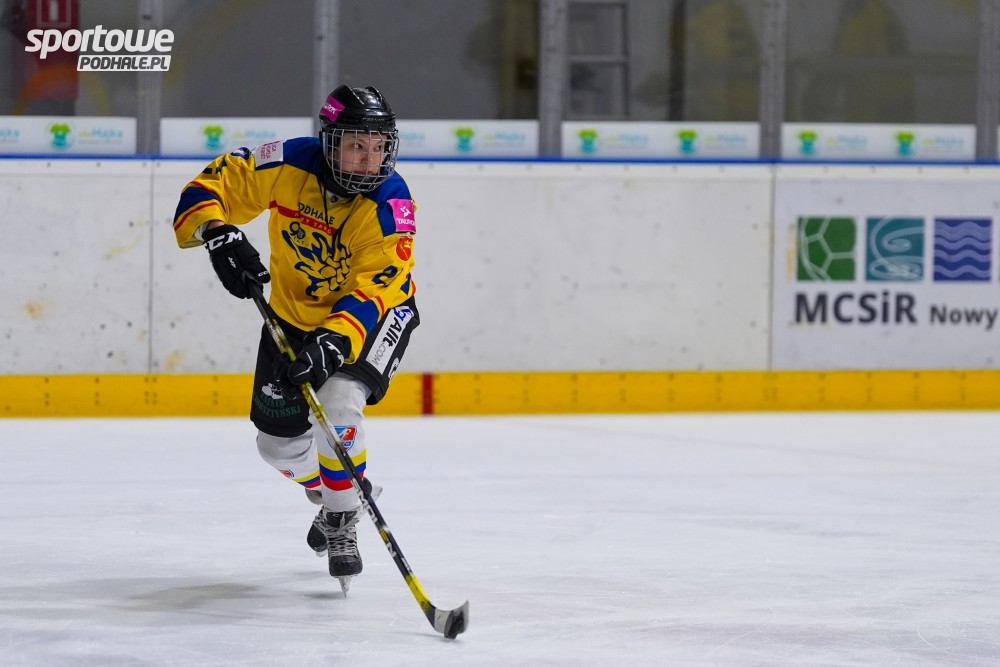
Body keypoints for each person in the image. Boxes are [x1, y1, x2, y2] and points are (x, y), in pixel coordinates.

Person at [171, 85, 420, 588]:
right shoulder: (286, 162)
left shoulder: (391, 205)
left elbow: (375, 289)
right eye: (356, 145)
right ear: (328, 141)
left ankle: (342, 519)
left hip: (372, 316)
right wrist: (216, 233)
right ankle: (340, 489)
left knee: (339, 401)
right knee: (276, 446)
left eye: (379, 148)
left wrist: (334, 342)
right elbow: (207, 188)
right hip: (291, 317)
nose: (369, 160)